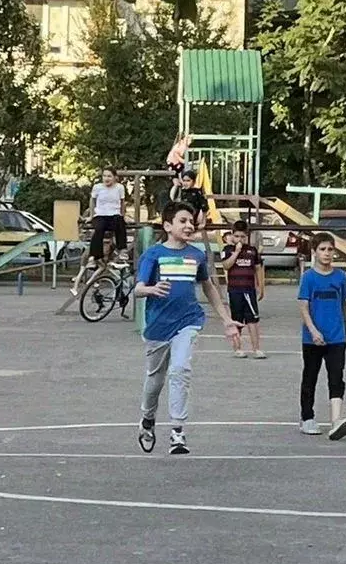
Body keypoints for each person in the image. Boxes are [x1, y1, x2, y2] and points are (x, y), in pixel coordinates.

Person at [135, 201, 241, 455]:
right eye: (182, 221)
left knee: (181, 369)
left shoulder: (196, 255)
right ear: (167, 226)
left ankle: (177, 431)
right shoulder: (153, 255)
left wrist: (227, 320)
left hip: (189, 321)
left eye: (191, 221)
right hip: (158, 326)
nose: (189, 225)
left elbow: (209, 287)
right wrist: (151, 289)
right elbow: (138, 289)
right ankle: (147, 419)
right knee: (155, 379)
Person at [297, 232, 346, 440]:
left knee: (336, 377)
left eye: (330, 249)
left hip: (336, 337)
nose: (327, 253)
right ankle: (307, 418)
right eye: (322, 249)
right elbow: (303, 306)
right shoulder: (308, 278)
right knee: (310, 376)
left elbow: (343, 305)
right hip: (312, 338)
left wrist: (345, 331)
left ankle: (336, 420)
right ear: (315, 252)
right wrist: (313, 330)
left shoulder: (340, 277)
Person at [221, 220, 265, 359]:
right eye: (237, 236)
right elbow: (226, 266)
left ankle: (256, 349)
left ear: (247, 236)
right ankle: (237, 348)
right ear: (232, 235)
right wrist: (236, 252)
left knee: (252, 319)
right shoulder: (227, 250)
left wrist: (261, 287)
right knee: (237, 319)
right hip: (234, 290)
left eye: (242, 236)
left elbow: (258, 269)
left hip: (249, 290)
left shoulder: (252, 251)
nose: (240, 239)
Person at [88, 167, 127, 268]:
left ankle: (122, 250)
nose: (106, 178)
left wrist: (123, 215)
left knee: (120, 222)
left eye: (109, 176)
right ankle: (94, 257)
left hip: (114, 214)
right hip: (100, 214)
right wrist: (91, 216)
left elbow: (122, 202)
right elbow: (92, 201)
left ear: (115, 177)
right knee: (99, 228)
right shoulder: (97, 187)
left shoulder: (119, 187)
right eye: (104, 176)